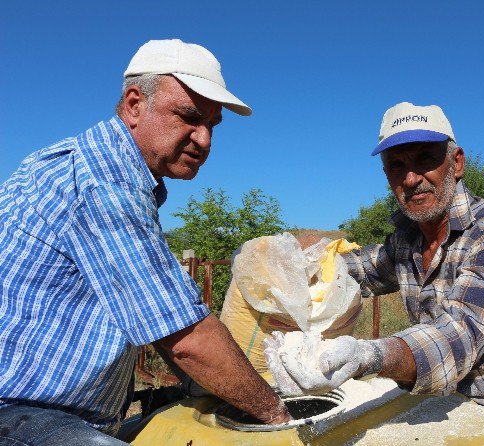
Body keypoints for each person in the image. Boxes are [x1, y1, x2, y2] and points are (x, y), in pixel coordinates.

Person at [0, 39, 290, 445]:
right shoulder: (104, 183)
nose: (204, 139)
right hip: (19, 414)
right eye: (189, 117)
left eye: (212, 125)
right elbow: (185, 338)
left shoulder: (88, 165)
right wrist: (277, 413)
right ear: (135, 104)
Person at [275, 102, 484, 442]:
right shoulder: (406, 243)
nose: (411, 178)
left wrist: (369, 356)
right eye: (396, 165)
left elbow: (459, 335)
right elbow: (352, 271)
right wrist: (286, 257)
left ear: (457, 163)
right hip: (461, 420)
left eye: (424, 158)